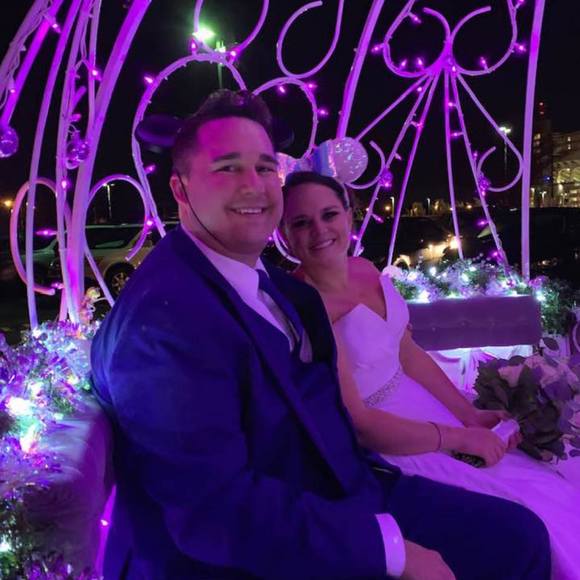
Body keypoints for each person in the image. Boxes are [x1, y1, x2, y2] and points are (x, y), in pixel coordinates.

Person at [90, 90, 551, 579]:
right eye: (228, 168)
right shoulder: (165, 322)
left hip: (348, 483)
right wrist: (392, 550)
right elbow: (213, 511)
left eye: (265, 167)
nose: (254, 186)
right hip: (269, 534)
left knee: (520, 536)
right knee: (513, 547)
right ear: (180, 189)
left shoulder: (263, 283)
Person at [280, 170, 580, 580]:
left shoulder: (365, 268)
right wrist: (457, 437)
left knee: (547, 491)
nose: (319, 230)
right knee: (519, 515)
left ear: (349, 215)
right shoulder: (304, 306)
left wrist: (468, 415)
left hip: (425, 404)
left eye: (329, 214)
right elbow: (361, 426)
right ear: (284, 235)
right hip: (390, 437)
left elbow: (407, 353)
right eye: (301, 222)